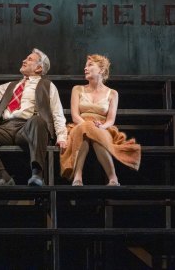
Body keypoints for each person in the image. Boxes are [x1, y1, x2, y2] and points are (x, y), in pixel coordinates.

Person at [0, 45, 67, 186]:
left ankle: (37, 174)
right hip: (6, 128)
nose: (24, 60)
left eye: (29, 59)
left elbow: (57, 112)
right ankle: (3, 177)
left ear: (39, 68)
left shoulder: (47, 85)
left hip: (28, 128)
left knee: (37, 121)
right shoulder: (11, 86)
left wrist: (62, 136)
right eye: (25, 58)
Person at [58, 54, 141, 186]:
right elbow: (75, 116)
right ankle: (78, 176)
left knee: (95, 133)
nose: (85, 68)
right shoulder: (77, 89)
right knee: (85, 130)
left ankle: (112, 178)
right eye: (85, 65)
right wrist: (87, 124)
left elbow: (111, 120)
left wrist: (102, 127)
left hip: (101, 127)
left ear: (101, 70)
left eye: (90, 65)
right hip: (79, 124)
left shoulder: (113, 93)